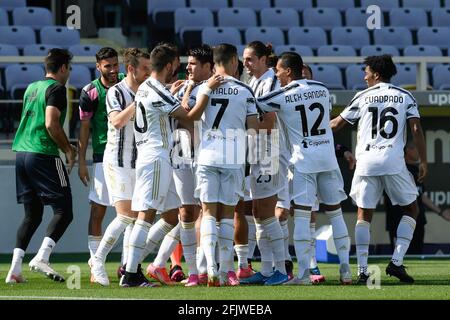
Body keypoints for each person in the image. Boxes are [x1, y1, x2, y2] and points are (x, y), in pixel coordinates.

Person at [120, 44, 222, 287]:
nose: (180, 69)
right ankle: (131, 272)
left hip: (151, 154)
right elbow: (190, 116)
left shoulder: (146, 87)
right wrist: (206, 90)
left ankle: (137, 263)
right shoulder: (159, 91)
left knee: (169, 215)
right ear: (168, 65)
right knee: (146, 215)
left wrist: (173, 91)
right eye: (176, 64)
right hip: (156, 157)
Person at [330, 54, 428, 284]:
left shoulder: (363, 96)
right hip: (393, 161)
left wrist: (310, 132)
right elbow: (415, 130)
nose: (364, 77)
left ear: (375, 73)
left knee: (364, 215)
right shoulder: (405, 96)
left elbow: (337, 124)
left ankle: (363, 271)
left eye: (366, 72)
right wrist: (423, 161)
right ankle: (396, 262)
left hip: (366, 162)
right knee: (412, 210)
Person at [257, 52, 351, 285]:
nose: (276, 74)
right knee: (336, 213)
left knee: (301, 216)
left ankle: (303, 275)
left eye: (278, 70)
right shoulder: (322, 88)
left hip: (303, 161)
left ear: (289, 71)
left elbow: (256, 105)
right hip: (328, 158)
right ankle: (346, 270)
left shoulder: (283, 94)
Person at [147, 44, 215, 287]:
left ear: (208, 67)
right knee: (187, 213)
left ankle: (158, 262)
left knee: (198, 213)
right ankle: (195, 271)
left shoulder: (210, 88)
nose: (187, 67)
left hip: (205, 156)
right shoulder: (186, 88)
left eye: (193, 64)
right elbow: (185, 115)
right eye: (187, 63)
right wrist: (184, 90)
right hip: (182, 154)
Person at [6, 48, 76, 284]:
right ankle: (42, 257)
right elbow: (50, 122)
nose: (70, 73)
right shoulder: (57, 88)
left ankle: (15, 270)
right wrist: (68, 148)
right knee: (64, 210)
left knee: (32, 214)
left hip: (22, 154)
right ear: (63, 68)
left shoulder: (31, 87)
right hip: (43, 154)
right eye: (70, 68)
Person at [195, 43, 259, 287]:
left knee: (208, 213)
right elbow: (253, 128)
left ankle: (210, 268)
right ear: (234, 62)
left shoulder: (203, 88)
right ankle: (225, 270)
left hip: (207, 155)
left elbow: (189, 116)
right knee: (228, 215)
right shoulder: (244, 90)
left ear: (214, 61)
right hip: (233, 158)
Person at [90, 48, 151, 286]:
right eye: (145, 68)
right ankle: (98, 259)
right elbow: (116, 121)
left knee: (136, 219)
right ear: (132, 69)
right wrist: (139, 103)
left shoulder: (147, 90)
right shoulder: (116, 92)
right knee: (126, 217)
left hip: (140, 162)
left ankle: (129, 270)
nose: (149, 72)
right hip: (117, 160)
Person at [240, 41, 290, 286]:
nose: (245, 63)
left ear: (263, 59)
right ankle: (268, 269)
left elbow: (268, 124)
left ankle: (281, 269)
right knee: (259, 213)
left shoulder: (271, 82)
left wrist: (241, 131)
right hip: (259, 154)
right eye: (244, 59)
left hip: (270, 153)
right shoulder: (254, 83)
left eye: (249, 59)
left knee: (267, 213)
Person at [302, 63, 356, 283]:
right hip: (318, 161)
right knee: (308, 215)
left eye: (307, 77)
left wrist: (342, 151)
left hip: (307, 163)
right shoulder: (320, 94)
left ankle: (315, 268)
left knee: (314, 214)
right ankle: (307, 266)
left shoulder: (293, 98)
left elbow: (323, 134)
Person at [78, 47, 126, 275]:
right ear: (98, 66)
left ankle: (127, 266)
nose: (114, 70)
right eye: (108, 66)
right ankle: (95, 262)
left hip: (129, 155)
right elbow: (84, 129)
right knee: (98, 211)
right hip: (101, 156)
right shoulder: (90, 92)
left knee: (129, 213)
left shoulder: (127, 82)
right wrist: (81, 161)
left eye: (116, 64)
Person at [385, 141, 450, 254]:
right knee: (399, 257)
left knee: (416, 255)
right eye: (415, 148)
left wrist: (441, 212)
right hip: (398, 221)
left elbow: (422, 196)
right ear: (407, 150)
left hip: (417, 221)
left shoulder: (416, 170)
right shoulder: (395, 169)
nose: (418, 151)